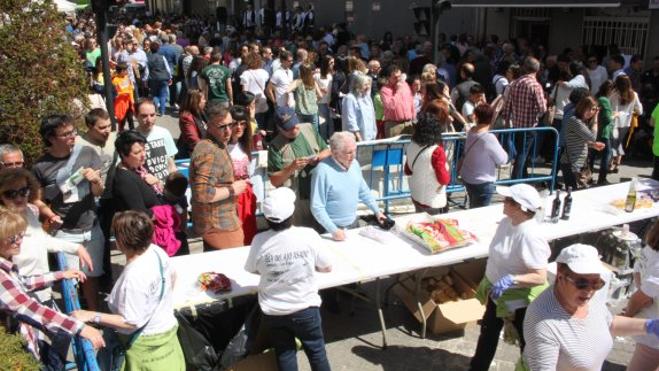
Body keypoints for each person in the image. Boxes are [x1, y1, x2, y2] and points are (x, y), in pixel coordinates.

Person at [72, 211, 185, 371]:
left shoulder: (133, 277)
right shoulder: (156, 251)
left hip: (146, 349)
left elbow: (130, 322)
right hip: (168, 335)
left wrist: (91, 315)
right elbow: (172, 277)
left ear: (121, 242)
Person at [524, 244, 659, 370]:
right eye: (581, 283)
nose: (589, 290)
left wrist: (650, 326)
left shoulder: (585, 299)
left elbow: (609, 323)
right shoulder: (542, 323)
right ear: (560, 275)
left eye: (596, 283)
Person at [0, 208, 105, 366]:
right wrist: (79, 328)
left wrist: (59, 275)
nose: (19, 240)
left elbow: (24, 283)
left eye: (20, 234)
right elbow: (27, 307)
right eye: (12, 237)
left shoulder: (6, 268)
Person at [245, 187, 331, 371]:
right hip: (305, 308)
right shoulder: (308, 235)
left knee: (284, 353)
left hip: (274, 310)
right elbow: (326, 266)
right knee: (316, 351)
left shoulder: (259, 240)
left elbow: (252, 269)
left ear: (266, 218)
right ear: (292, 214)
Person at [470, 184, 550, 371]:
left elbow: (540, 276)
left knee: (526, 342)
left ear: (520, 207)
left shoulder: (530, 235)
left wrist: (511, 280)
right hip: (497, 293)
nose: (503, 202)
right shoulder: (507, 223)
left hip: (519, 301)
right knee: (488, 333)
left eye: (508, 200)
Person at [32, 114, 105, 311]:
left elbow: (99, 192)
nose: (72, 136)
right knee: (70, 283)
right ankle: (75, 320)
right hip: (65, 232)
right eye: (65, 134)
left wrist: (95, 181)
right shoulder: (40, 166)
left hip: (91, 227)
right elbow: (36, 199)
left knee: (91, 278)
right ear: (51, 139)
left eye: (73, 131)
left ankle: (94, 317)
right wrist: (48, 213)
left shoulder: (87, 153)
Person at [0, 168, 93, 305]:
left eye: (23, 191)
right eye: (10, 194)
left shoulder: (30, 211)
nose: (19, 198)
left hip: (43, 290)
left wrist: (76, 248)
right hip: (18, 295)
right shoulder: (3, 222)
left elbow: (42, 240)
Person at [190, 104, 248, 250]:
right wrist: (233, 189)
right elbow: (202, 194)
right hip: (219, 227)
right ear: (208, 126)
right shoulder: (209, 150)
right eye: (222, 126)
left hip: (219, 223)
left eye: (231, 124)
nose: (229, 131)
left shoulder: (216, 145)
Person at [310, 132, 384, 241]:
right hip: (329, 230)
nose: (354, 155)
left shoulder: (355, 164)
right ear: (335, 153)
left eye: (355, 150)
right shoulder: (322, 171)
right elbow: (317, 207)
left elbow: (363, 191)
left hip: (353, 225)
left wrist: (377, 212)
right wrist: (333, 230)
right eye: (349, 152)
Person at [268, 107, 331, 226]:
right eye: (288, 128)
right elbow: (274, 180)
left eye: (295, 124)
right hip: (296, 201)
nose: (294, 129)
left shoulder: (309, 128)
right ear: (279, 129)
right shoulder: (275, 146)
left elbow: (327, 151)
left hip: (318, 193)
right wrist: (291, 168)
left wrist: (317, 157)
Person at [500, 57, 547, 179]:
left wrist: (506, 119)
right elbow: (542, 108)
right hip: (530, 125)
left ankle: (523, 177)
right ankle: (515, 179)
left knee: (521, 153)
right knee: (523, 153)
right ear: (537, 69)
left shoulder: (515, 83)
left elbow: (508, 104)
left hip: (516, 125)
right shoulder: (535, 86)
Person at [623, 219, 659, 371]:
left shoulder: (650, 249)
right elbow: (642, 297)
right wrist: (628, 317)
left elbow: (637, 271)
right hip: (653, 335)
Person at [460, 105, 509, 208]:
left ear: (476, 117)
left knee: (473, 208)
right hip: (482, 182)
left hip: (469, 178)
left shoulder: (471, 131)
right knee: (479, 213)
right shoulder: (488, 137)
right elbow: (502, 159)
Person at [404, 113, 451, 215]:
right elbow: (443, 179)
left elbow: (407, 170)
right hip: (431, 198)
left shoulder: (411, 145)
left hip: (416, 194)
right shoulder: (437, 151)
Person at [112, 130, 162, 215]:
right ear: (123, 155)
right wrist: (165, 212)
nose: (143, 155)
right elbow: (141, 214)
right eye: (137, 152)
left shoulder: (140, 166)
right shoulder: (125, 180)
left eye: (144, 149)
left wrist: (157, 181)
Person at [560, 96, 605, 189]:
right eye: (588, 109)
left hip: (579, 163)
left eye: (593, 109)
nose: (591, 112)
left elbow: (578, 140)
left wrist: (593, 145)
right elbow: (592, 137)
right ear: (581, 107)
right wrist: (596, 118)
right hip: (571, 163)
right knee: (574, 193)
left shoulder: (582, 121)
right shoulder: (575, 121)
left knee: (580, 193)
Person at [228, 105, 257, 245]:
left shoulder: (245, 144)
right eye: (235, 123)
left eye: (242, 123)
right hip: (230, 195)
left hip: (246, 194)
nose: (239, 127)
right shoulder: (222, 147)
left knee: (248, 231)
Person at [135, 98, 178, 184]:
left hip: (165, 187)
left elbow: (170, 162)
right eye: (144, 116)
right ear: (136, 115)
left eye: (152, 115)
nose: (149, 120)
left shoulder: (164, 133)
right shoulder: (131, 138)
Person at [609, 75, 643, 173]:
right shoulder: (634, 95)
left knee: (613, 144)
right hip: (626, 123)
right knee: (620, 142)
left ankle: (611, 163)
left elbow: (612, 110)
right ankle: (617, 164)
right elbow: (640, 111)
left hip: (614, 122)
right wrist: (631, 112)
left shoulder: (614, 94)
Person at [380, 64, 416, 137]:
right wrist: (399, 90)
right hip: (394, 125)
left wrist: (414, 119)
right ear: (388, 78)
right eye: (395, 77)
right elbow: (391, 106)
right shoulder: (385, 90)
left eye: (399, 76)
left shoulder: (405, 85)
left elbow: (411, 102)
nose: (398, 79)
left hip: (409, 124)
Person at [287, 63, 322, 134]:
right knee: (314, 133)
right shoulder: (313, 82)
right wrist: (314, 102)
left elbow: (287, 90)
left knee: (302, 133)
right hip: (313, 110)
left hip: (301, 111)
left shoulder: (298, 82)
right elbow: (320, 96)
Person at [341, 71, 377, 142]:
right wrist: (358, 136)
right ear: (358, 85)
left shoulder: (367, 98)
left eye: (369, 84)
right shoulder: (350, 98)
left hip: (369, 137)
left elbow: (372, 117)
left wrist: (374, 133)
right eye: (365, 85)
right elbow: (350, 119)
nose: (368, 87)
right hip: (356, 138)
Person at [593, 81, 615, 184]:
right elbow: (607, 119)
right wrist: (615, 115)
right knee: (607, 154)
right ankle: (602, 178)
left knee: (592, 154)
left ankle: (587, 175)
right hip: (603, 132)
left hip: (597, 130)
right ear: (610, 90)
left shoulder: (597, 98)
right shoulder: (604, 100)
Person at [240, 52, 270, 128]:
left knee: (252, 126)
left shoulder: (246, 74)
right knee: (261, 124)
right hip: (262, 100)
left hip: (251, 103)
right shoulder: (264, 72)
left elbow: (244, 91)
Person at [143, 41, 172, 116]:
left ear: (150, 49)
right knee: (163, 95)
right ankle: (162, 112)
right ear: (158, 49)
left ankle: (157, 106)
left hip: (153, 78)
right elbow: (167, 68)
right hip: (163, 77)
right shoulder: (162, 57)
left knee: (154, 94)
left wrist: (145, 80)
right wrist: (170, 77)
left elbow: (146, 71)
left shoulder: (148, 58)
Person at [177, 89, 208, 157]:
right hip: (191, 155)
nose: (205, 101)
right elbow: (193, 140)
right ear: (196, 101)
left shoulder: (202, 112)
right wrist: (209, 150)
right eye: (203, 99)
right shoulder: (186, 117)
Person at [112, 62, 135, 131]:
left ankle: (132, 130)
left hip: (129, 102)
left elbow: (130, 88)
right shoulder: (115, 80)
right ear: (121, 71)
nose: (127, 72)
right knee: (122, 118)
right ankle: (121, 131)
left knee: (130, 118)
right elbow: (116, 92)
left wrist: (132, 98)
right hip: (121, 103)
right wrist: (124, 93)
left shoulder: (127, 77)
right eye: (125, 70)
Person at [316, 55, 335, 140]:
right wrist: (319, 89)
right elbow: (311, 87)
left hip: (330, 103)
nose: (333, 64)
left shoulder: (333, 74)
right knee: (323, 123)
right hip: (320, 102)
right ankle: (323, 142)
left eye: (333, 62)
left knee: (331, 124)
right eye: (331, 62)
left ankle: (331, 141)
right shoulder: (317, 75)